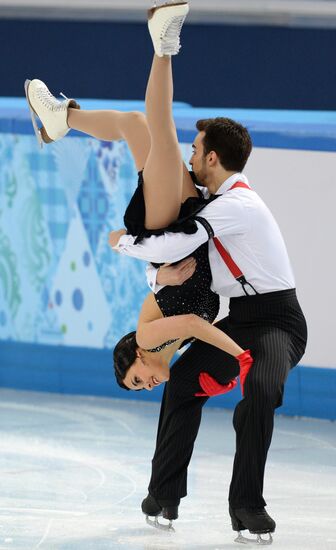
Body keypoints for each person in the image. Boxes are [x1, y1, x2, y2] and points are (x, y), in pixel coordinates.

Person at [108, 46, 308, 550]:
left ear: (212, 157)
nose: (191, 159)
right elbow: (189, 281)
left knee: (259, 392)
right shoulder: (216, 200)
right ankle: (164, 495)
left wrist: (121, 243)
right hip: (236, 318)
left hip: (279, 323)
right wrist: (158, 282)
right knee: (181, 388)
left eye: (195, 152)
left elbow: (177, 245)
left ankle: (248, 506)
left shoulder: (237, 205)